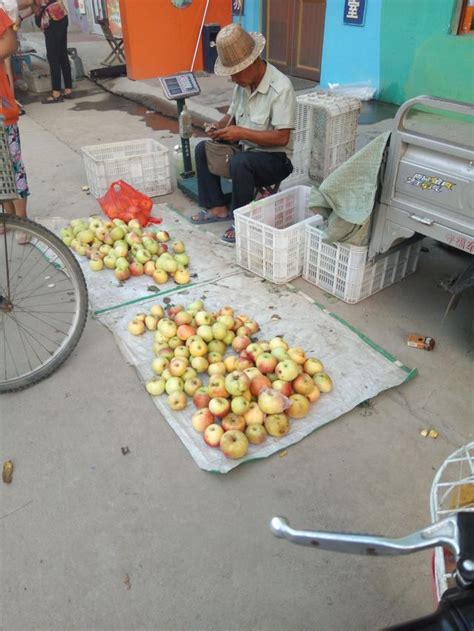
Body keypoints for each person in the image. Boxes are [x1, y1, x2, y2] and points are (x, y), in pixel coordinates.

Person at [191, 23, 296, 244]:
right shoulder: (243, 84)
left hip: (275, 159)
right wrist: (217, 128)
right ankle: (217, 208)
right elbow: (232, 117)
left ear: (253, 63)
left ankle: (242, 222)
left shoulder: (281, 87)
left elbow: (282, 137)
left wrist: (241, 132)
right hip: (244, 151)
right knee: (202, 149)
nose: (233, 79)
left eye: (235, 73)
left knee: (241, 162)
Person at [0, 6, 30, 240]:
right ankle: (8, 216)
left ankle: (22, 220)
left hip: (2, 110)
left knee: (13, 166)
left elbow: (10, 43)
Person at [21, 0, 72, 103]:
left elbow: (33, 3)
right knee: (62, 54)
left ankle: (56, 93)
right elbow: (34, 6)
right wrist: (21, 17)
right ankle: (68, 89)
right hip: (60, 14)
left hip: (52, 19)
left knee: (53, 57)